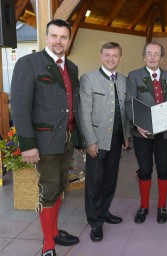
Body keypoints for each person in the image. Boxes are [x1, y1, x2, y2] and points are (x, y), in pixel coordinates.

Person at [10, 19, 83, 256]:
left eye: (63, 37)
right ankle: (48, 245)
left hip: (67, 139)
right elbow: (20, 107)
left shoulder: (71, 67)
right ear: (46, 36)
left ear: (69, 39)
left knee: (61, 186)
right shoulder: (28, 63)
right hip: (44, 141)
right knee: (49, 188)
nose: (59, 41)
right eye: (54, 36)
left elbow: (73, 104)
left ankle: (53, 231)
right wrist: (28, 145)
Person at [79, 42, 129, 242]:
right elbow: (84, 113)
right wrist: (90, 140)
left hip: (116, 139)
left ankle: (105, 211)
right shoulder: (88, 79)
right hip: (97, 141)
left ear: (120, 58)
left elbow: (124, 112)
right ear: (100, 56)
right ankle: (95, 222)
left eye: (115, 55)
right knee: (95, 182)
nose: (111, 59)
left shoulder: (125, 80)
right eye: (107, 55)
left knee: (110, 179)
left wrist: (126, 135)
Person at [125, 42, 167, 224]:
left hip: (166, 132)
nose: (153, 57)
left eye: (156, 54)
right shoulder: (134, 76)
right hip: (143, 133)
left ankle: (162, 206)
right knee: (145, 170)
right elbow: (128, 103)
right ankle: (144, 206)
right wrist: (137, 123)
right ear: (144, 56)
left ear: (161, 58)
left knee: (164, 170)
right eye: (149, 54)